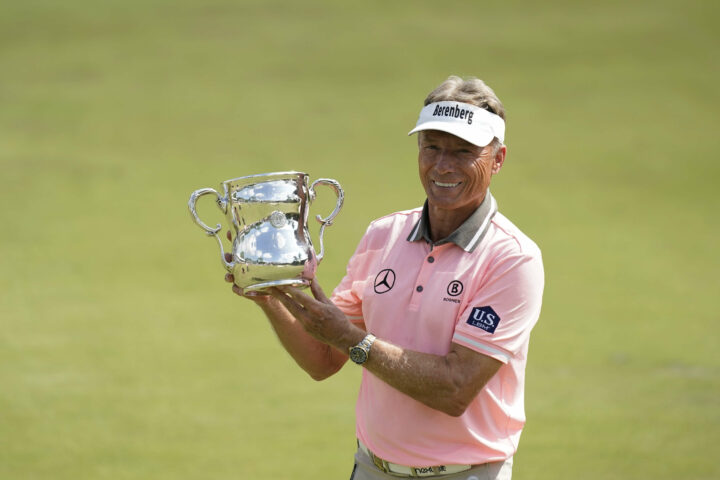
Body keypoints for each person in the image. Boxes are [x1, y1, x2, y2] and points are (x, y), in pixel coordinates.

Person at [225, 75, 544, 480]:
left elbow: (455, 388)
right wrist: (269, 293)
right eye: (432, 147)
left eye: (464, 151)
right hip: (371, 468)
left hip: (467, 473)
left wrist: (350, 339)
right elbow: (321, 359)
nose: (442, 165)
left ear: (497, 159)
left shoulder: (512, 259)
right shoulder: (384, 234)